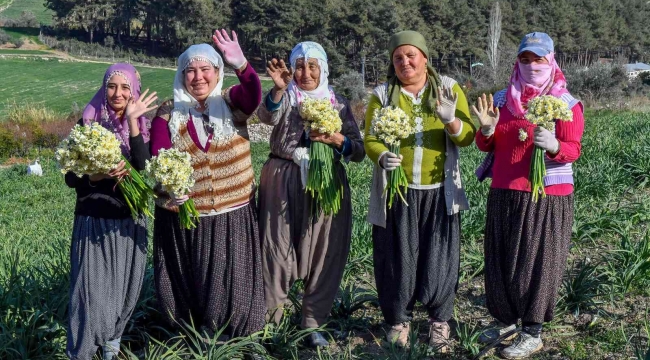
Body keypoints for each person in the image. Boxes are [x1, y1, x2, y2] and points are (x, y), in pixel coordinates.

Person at [473, 32, 584, 359]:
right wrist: (486, 130)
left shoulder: (566, 102)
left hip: (547, 195)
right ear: (517, 61)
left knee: (537, 264)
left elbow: (573, 149)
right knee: (502, 260)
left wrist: (553, 146)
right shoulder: (502, 98)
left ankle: (532, 332)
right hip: (505, 191)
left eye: (539, 58)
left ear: (551, 60)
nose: (532, 65)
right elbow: (487, 146)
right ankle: (507, 321)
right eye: (525, 58)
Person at [149, 30, 265, 339]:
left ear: (217, 73)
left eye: (206, 70)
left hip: (233, 213)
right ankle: (194, 335)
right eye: (190, 70)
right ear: (181, 74)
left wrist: (241, 64)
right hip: (190, 215)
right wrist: (169, 191)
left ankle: (237, 337)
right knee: (194, 280)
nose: (198, 77)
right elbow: (159, 156)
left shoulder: (231, 103)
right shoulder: (168, 113)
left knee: (232, 280)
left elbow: (253, 95)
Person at [364, 30, 476, 352]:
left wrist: (452, 121)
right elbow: (371, 137)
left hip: (439, 190)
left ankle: (439, 322)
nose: (405, 62)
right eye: (398, 58)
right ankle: (398, 320)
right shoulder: (383, 95)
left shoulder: (448, 89)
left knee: (439, 256)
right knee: (398, 257)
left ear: (425, 58)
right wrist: (383, 156)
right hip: (399, 192)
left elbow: (467, 136)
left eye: (411, 55)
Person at [256, 41, 365, 347]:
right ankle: (271, 321)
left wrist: (337, 139)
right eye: (299, 66)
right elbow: (267, 117)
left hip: (326, 182)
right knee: (275, 249)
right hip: (283, 179)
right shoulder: (287, 98)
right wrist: (278, 90)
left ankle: (313, 322)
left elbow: (357, 151)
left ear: (323, 69)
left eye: (312, 66)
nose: (305, 73)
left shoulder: (338, 103)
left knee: (324, 252)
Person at [65, 63, 157, 360]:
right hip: (94, 221)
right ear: (104, 89)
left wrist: (132, 122)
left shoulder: (142, 126)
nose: (117, 93)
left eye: (125, 87)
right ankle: (81, 351)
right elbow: (70, 176)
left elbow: (144, 171)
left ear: (134, 92)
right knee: (90, 294)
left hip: (130, 223)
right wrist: (95, 176)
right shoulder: (88, 125)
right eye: (112, 86)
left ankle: (110, 348)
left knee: (124, 291)